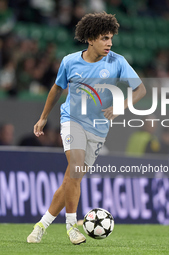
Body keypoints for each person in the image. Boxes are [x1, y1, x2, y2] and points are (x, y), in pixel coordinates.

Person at [27, 12, 146, 245]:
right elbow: (56, 89)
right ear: (90, 39)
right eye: (104, 38)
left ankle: (41, 225)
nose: (109, 43)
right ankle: (72, 228)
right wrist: (43, 118)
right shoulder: (70, 61)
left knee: (72, 180)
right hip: (72, 120)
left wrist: (121, 106)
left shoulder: (117, 62)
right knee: (75, 168)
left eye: (111, 37)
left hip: (99, 129)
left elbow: (140, 89)